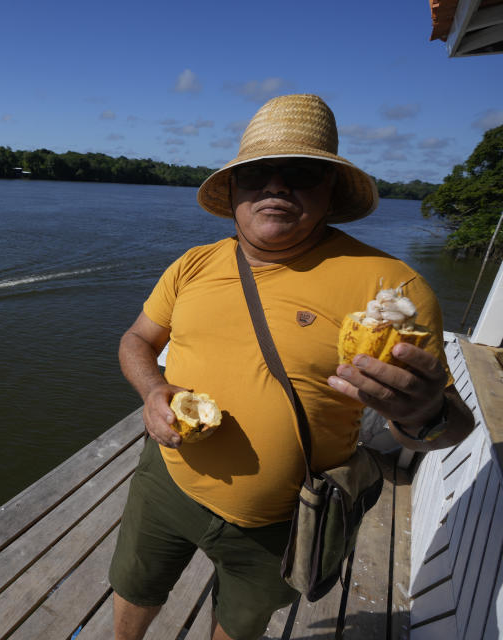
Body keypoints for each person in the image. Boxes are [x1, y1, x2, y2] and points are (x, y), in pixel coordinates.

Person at [108, 94, 475, 640]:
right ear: (233, 191)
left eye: (301, 174)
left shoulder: (390, 288)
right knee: (135, 588)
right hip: (168, 479)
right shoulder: (193, 264)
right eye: (257, 174)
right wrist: (153, 389)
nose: (276, 187)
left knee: (240, 623)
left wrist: (423, 414)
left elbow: (452, 426)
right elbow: (137, 339)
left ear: (330, 194)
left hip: (286, 518)